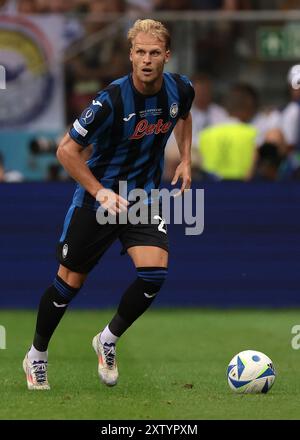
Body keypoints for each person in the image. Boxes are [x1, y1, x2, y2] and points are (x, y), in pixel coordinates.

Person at [23, 18, 195, 390]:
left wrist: (185, 159)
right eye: (140, 53)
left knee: (154, 274)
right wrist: (99, 190)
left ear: (167, 55)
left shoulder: (181, 88)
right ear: (130, 56)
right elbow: (66, 151)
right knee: (69, 283)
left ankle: (108, 339)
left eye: (154, 53)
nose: (147, 60)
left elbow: (184, 115)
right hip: (97, 198)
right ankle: (36, 355)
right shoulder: (110, 101)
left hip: (142, 197)